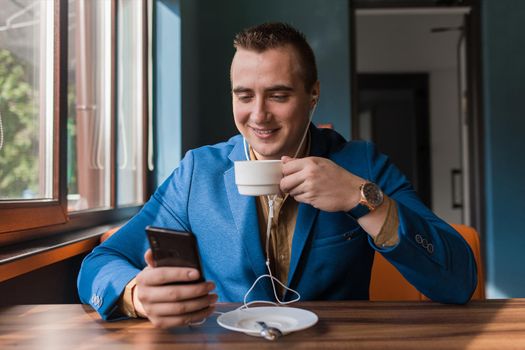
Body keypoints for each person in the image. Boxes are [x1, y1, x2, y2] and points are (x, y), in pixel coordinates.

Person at [77, 22, 477, 328]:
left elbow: (458, 281)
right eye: (244, 95)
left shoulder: (361, 165)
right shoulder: (198, 172)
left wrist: (362, 197)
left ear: (313, 95)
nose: (259, 115)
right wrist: (136, 296)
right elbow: (101, 262)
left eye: (279, 95)